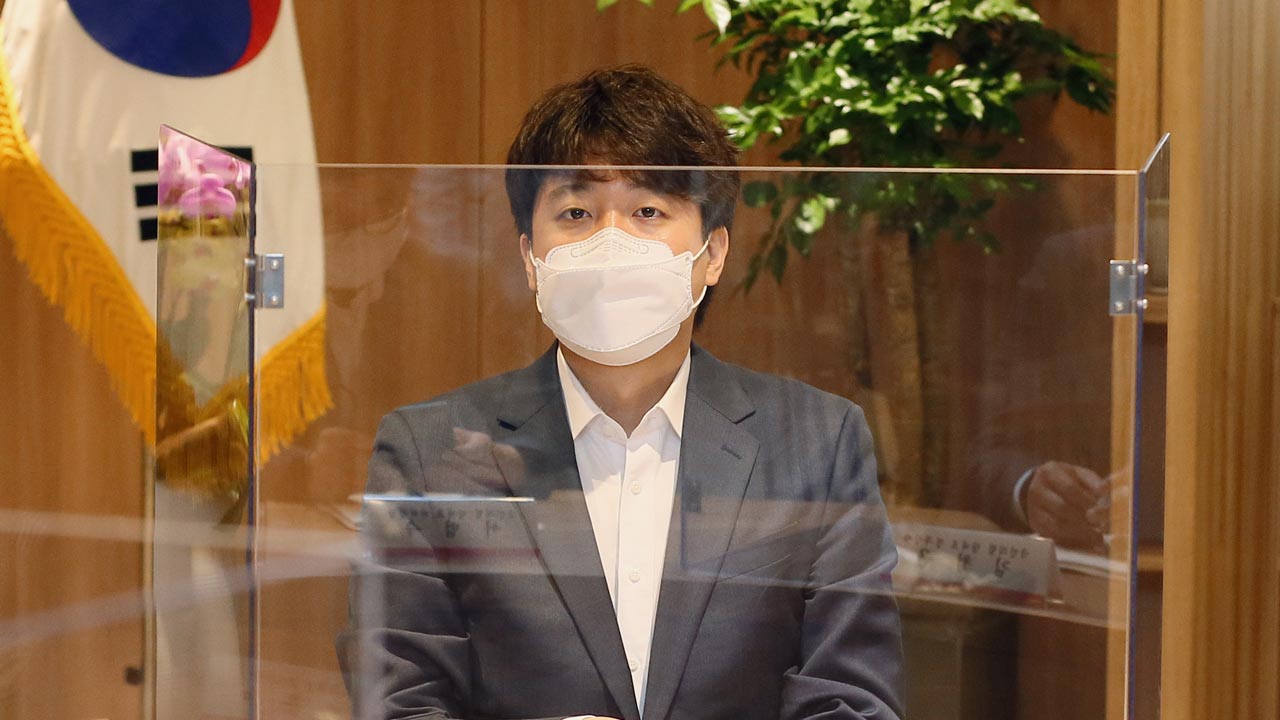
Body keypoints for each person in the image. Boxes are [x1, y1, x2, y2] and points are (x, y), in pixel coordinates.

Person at [339, 65, 903, 720]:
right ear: (530, 257)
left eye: (648, 211)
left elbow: (852, 698)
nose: (611, 242)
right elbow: (399, 699)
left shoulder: (818, 443)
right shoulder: (427, 451)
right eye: (576, 213)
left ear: (713, 254)